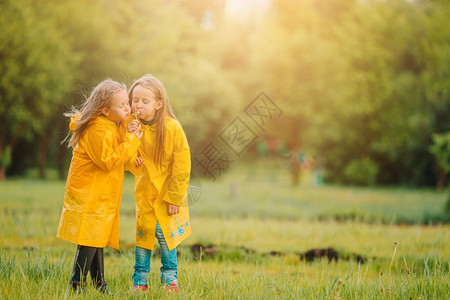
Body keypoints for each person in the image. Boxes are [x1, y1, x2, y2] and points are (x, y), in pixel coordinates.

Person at [56, 79, 143, 293]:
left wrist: (131, 155)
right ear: (105, 110)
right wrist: (131, 140)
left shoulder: (110, 127)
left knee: (97, 238)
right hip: (89, 193)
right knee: (90, 239)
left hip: (100, 194)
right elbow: (108, 161)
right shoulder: (97, 129)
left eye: (127, 103)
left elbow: (118, 157)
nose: (128, 108)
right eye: (122, 105)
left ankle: (99, 285)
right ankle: (77, 283)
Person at [124, 74, 191, 293]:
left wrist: (175, 198)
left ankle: (170, 280)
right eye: (135, 100)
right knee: (143, 236)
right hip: (145, 194)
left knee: (166, 238)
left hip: (167, 195)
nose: (138, 105)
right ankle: (139, 281)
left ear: (159, 103)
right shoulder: (131, 127)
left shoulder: (172, 128)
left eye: (145, 101)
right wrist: (131, 138)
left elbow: (182, 166)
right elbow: (126, 162)